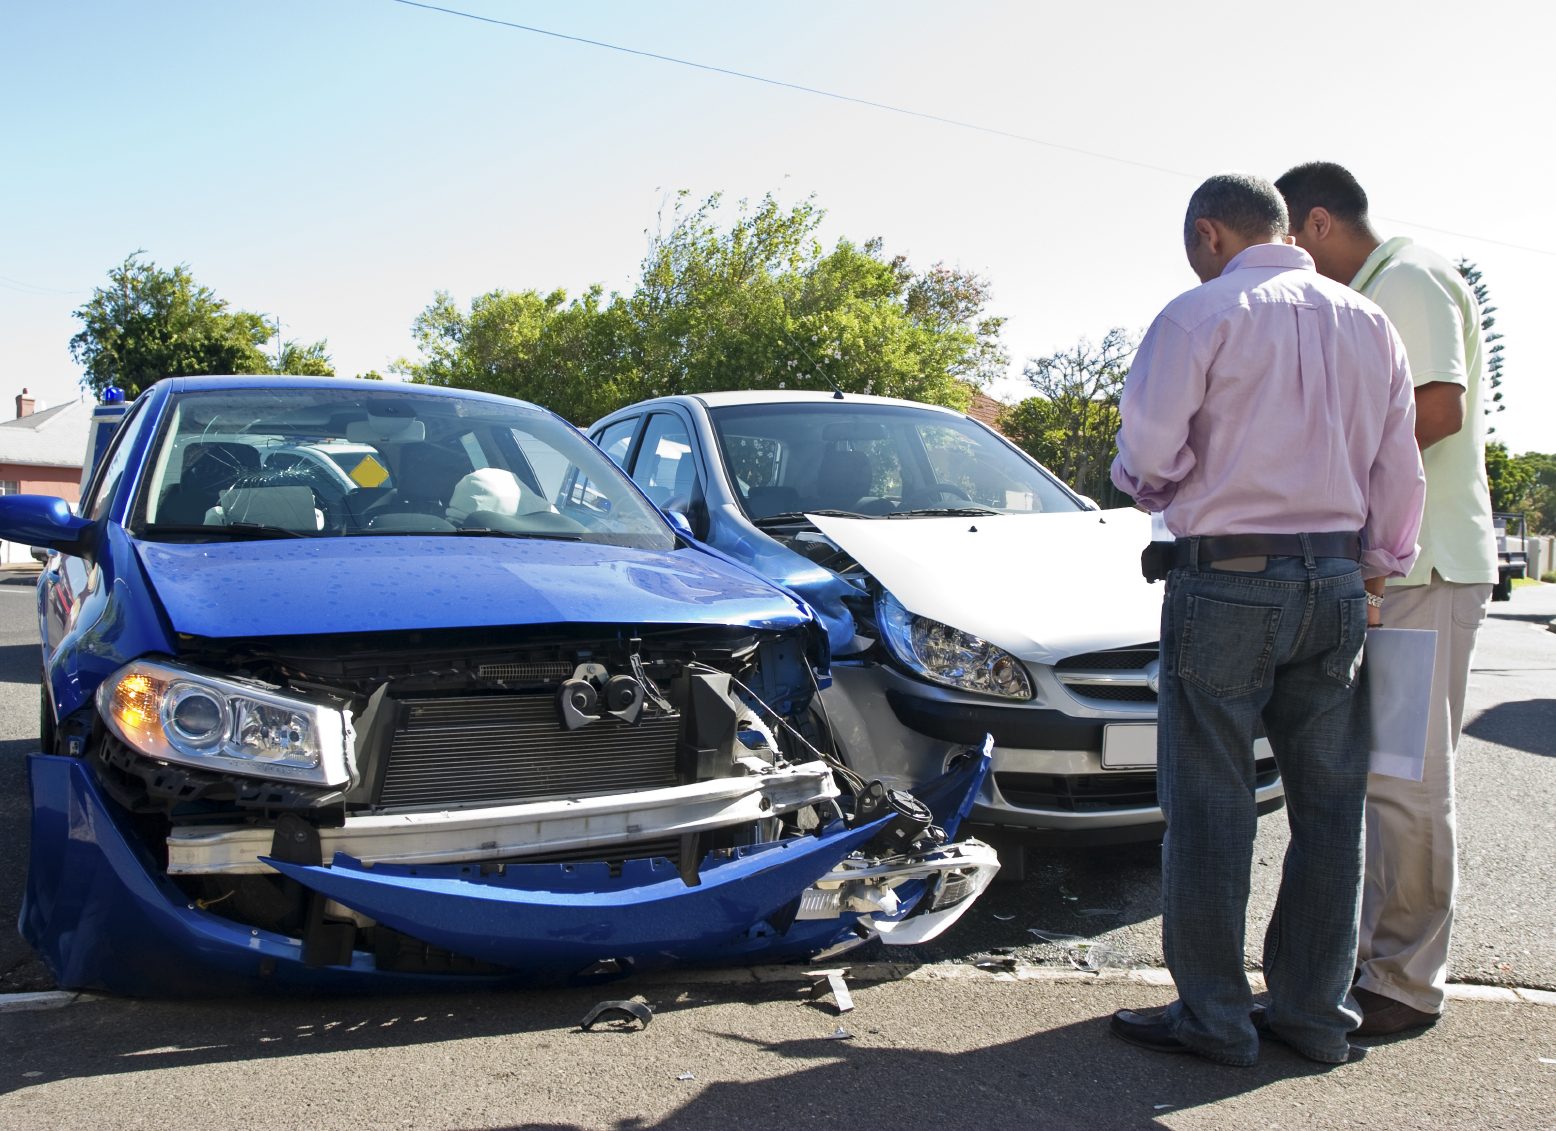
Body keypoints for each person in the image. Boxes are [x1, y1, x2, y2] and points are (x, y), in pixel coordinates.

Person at [1108, 172, 1425, 1066]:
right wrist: (1374, 569)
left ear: (1210, 235)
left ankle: (1214, 1018)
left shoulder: (1199, 315)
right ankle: (1313, 1014)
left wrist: (1152, 484)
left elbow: (1149, 456)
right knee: (1329, 808)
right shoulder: (1370, 322)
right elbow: (1399, 469)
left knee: (1211, 806)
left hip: (1227, 580)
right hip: (1337, 582)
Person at [1276, 161, 1499, 1037]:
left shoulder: (1405, 278)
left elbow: (1438, 409)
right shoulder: (1375, 287)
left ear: (1318, 223)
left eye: (1288, 238)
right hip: (1398, 571)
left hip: (1425, 569)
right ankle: (1380, 962)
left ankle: (1404, 982)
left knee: (1407, 778)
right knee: (1388, 776)